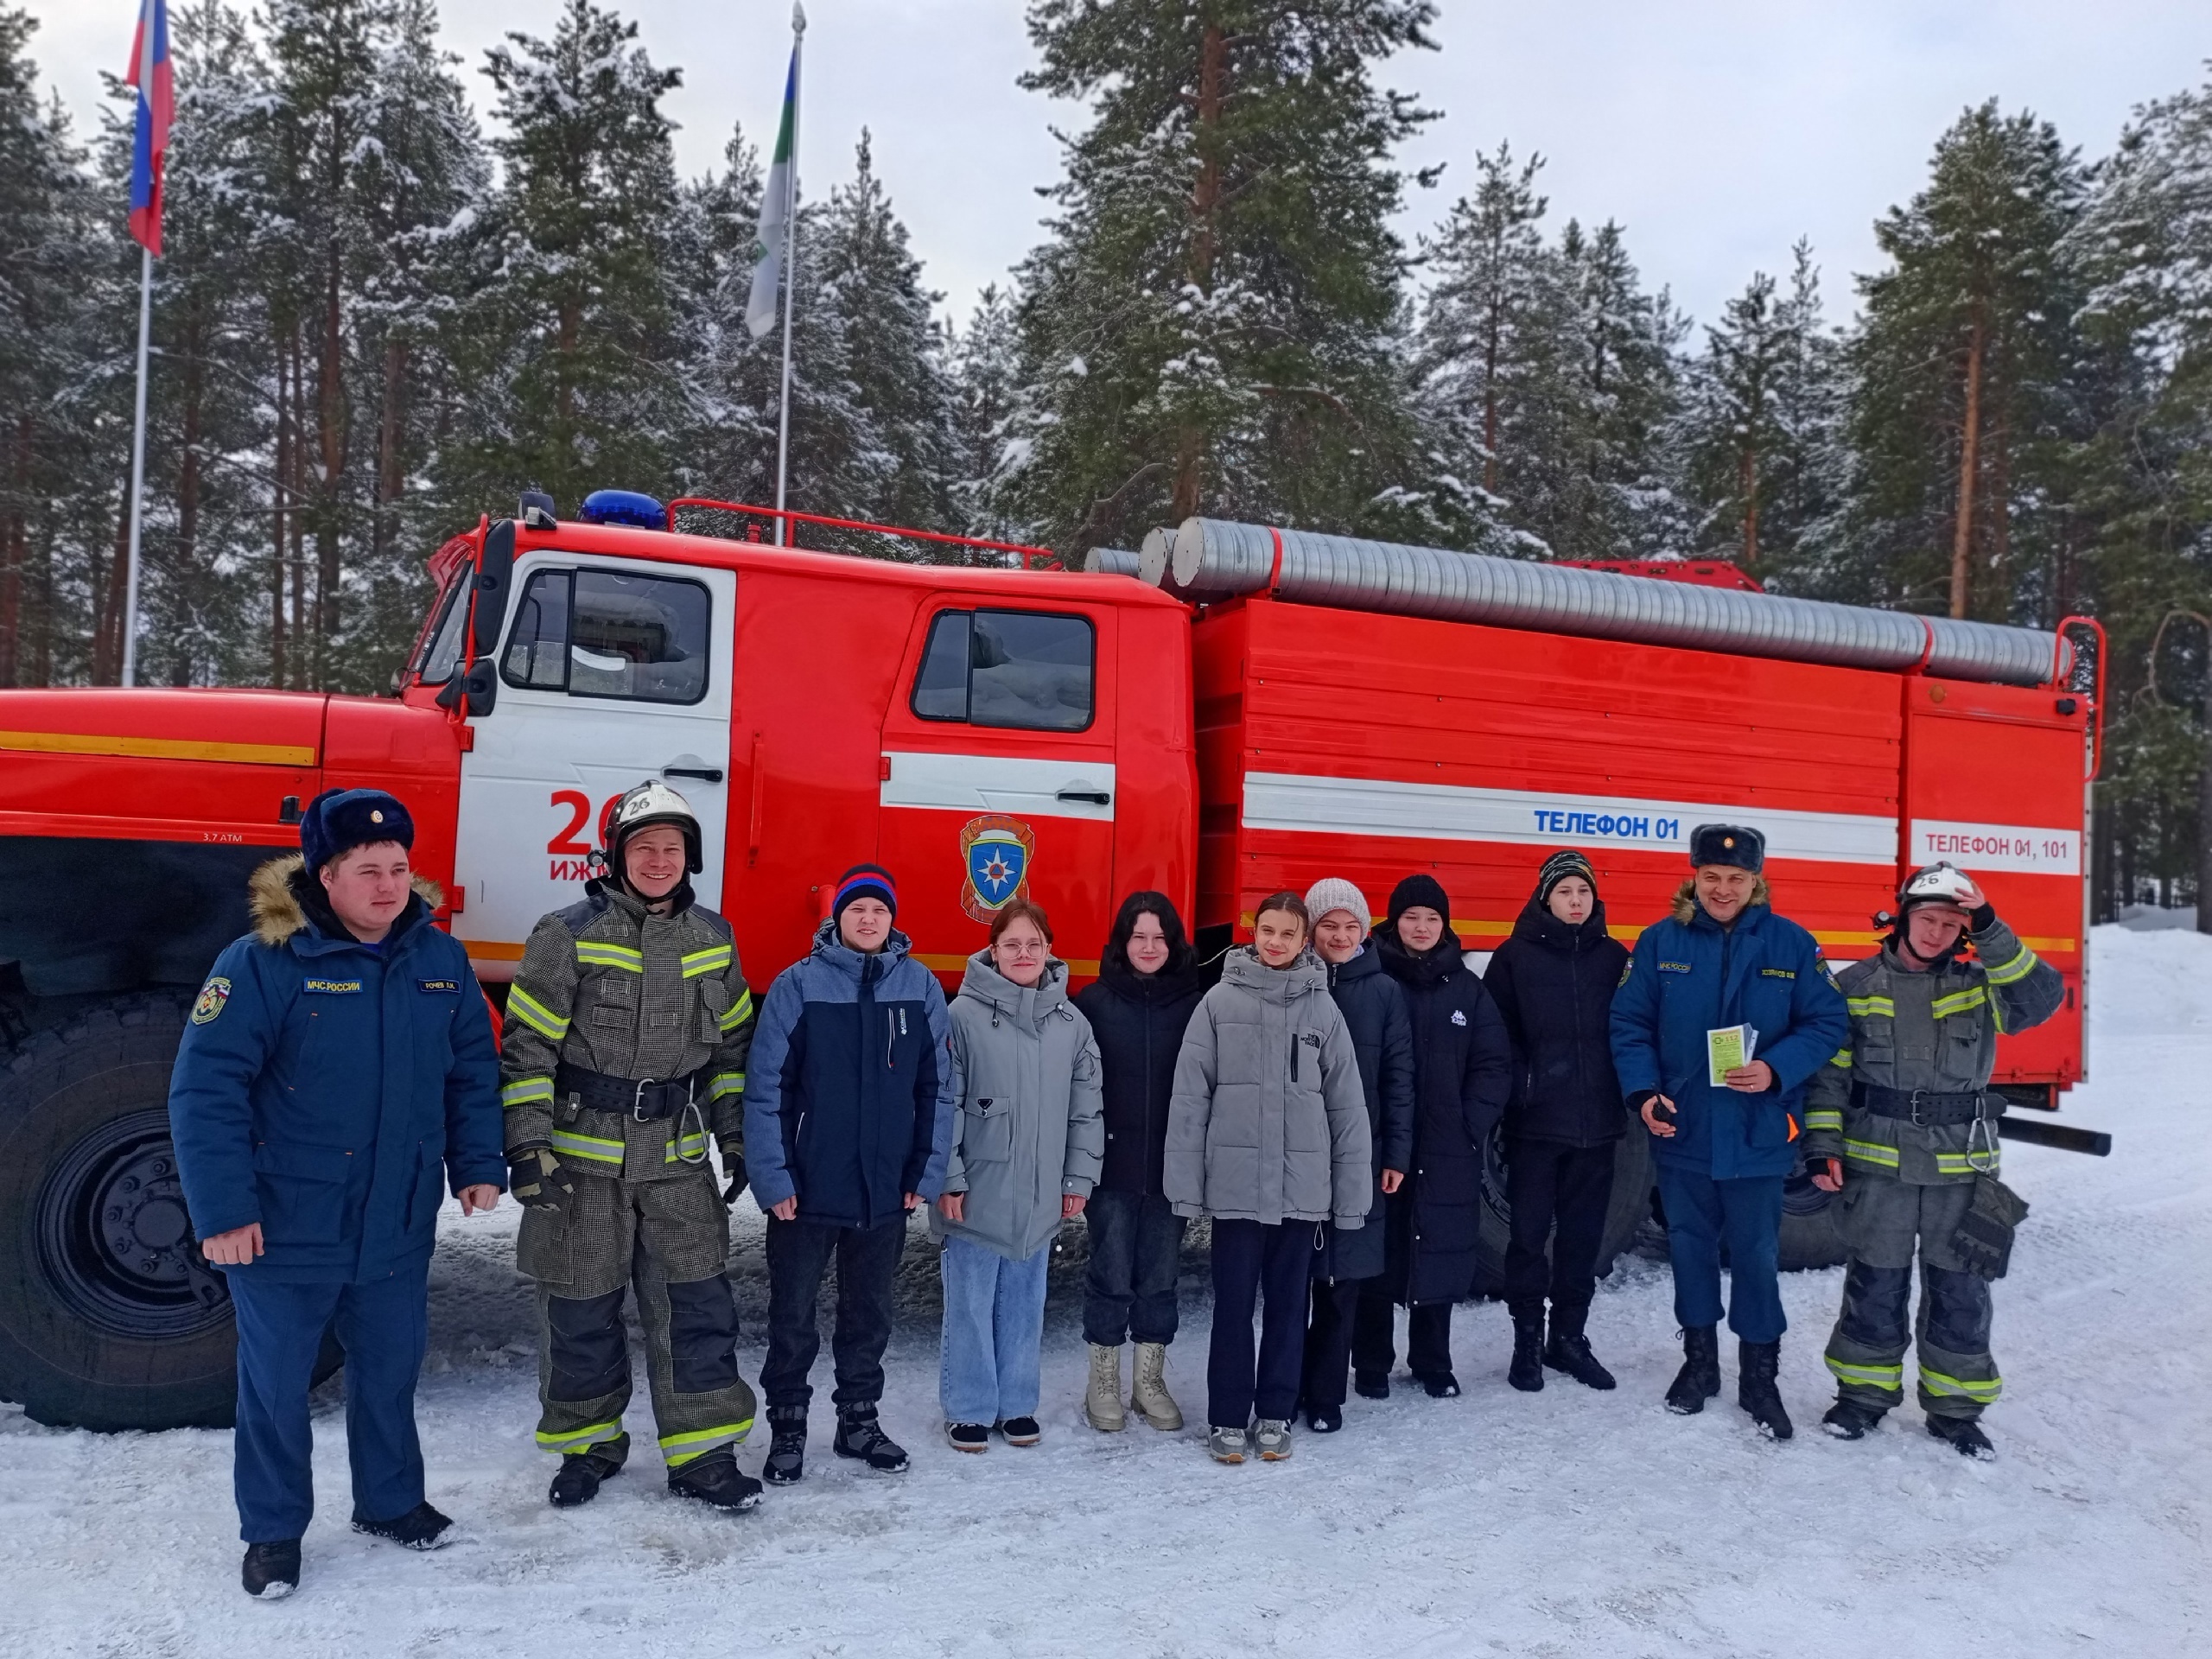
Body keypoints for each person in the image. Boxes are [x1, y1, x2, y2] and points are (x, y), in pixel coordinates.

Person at [169, 788, 504, 1600]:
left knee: (389, 1372)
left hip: (396, 1218)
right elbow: (204, 1091)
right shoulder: (260, 965)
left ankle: (389, 1503)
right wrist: (222, 1212)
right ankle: (274, 1533)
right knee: (277, 1388)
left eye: (398, 869)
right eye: (368, 870)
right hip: (287, 1228)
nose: (389, 887)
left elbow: (471, 1071)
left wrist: (479, 1163)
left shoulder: (440, 961)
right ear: (324, 874)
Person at [499, 782, 762, 1512]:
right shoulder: (566, 931)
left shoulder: (714, 938)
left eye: (672, 849)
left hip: (677, 1160)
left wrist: (734, 1138)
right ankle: (589, 1446)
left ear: (689, 859)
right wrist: (528, 1146)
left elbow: (732, 1051)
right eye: (644, 847)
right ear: (615, 855)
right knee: (581, 1306)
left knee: (696, 1306)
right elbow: (527, 1049)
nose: (658, 860)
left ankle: (703, 1453)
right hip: (582, 1158)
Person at [1805, 862, 2063, 1459]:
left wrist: (1992, 926)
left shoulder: (1981, 984)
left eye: (1952, 923)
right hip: (1880, 1167)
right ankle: (1862, 1398)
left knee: (1962, 1291)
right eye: (1927, 919)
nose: (1937, 932)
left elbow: (2043, 997)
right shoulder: (1856, 986)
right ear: (1903, 919)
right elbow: (1828, 1080)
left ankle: (1954, 1411)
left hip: (1961, 1171)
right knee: (1874, 1285)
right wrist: (1822, 1147)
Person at [1609, 824, 1849, 1440]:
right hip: (1683, 1130)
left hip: (1758, 1134)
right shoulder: (1660, 943)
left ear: (1755, 881)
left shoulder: (1793, 946)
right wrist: (1642, 1092)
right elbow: (1629, 1022)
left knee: (1757, 1256)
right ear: (1693, 877)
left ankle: (1759, 1379)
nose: (1722, 889)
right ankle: (1699, 1366)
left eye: (1736, 879)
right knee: (1689, 1247)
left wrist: (1776, 1068)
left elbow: (1827, 1022)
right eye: (1711, 878)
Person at [744, 864, 956, 1484]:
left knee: (869, 1315)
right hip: (807, 1192)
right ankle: (787, 1429)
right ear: (837, 917)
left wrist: (926, 1169)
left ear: (894, 920)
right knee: (793, 1317)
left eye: (880, 910)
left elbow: (938, 1089)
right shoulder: (798, 986)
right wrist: (775, 1179)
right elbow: (766, 1090)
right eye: (857, 909)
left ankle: (858, 1423)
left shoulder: (919, 988)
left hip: (885, 1190)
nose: (868, 919)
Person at [1165, 892, 1370, 1465]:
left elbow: (1347, 1109)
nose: (1276, 942)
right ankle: (1228, 1417)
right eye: (1267, 931)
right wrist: (1185, 1183)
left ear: (1305, 942)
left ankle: (1275, 1412)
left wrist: (1350, 1196)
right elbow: (1190, 1100)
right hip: (1236, 1191)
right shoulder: (1219, 1003)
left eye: (1288, 934)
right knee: (1231, 1308)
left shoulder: (1322, 1011)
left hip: (1301, 1193)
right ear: (1253, 934)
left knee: (1288, 1307)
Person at [933, 899, 1104, 1451]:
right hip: (977, 1192)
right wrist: (949, 1177)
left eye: (1034, 944)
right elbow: (944, 1103)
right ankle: (969, 1407)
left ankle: (1016, 1406)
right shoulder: (960, 1016)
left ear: (1049, 950)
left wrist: (1077, 1180)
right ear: (993, 950)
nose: (1024, 954)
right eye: (1013, 944)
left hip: (1039, 1196)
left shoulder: (1072, 1024)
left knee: (1026, 1304)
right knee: (971, 1302)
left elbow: (1087, 1111)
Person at [1357, 874, 1513, 1400]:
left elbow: (1494, 1064)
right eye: (1410, 917)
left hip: (1448, 1147)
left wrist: (1469, 1123)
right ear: (1393, 922)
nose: (1421, 928)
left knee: (1440, 1250)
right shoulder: (1374, 979)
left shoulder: (1467, 989)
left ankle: (1433, 1362)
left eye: (1431, 918)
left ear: (1445, 925)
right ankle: (1372, 1364)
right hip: (1384, 1146)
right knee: (1378, 1253)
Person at [1482, 850, 1632, 1394]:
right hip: (1535, 1128)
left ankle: (1568, 1339)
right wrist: (1523, 1086)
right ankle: (1527, 1340)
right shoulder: (1514, 958)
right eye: (1565, 891)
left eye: (1584, 892)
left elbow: (1633, 1030)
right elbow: (1495, 1036)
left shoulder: (1615, 958)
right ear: (1546, 896)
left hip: (1598, 1129)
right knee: (1525, 1241)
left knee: (1581, 1242)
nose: (1575, 901)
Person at [1072, 893, 1205, 1433]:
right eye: (1138, 937)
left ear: (1174, 944)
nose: (1149, 947)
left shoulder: (1198, 1004)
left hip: (1173, 1168)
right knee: (1109, 1271)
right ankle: (1102, 1379)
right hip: (1111, 1167)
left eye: (1159, 937)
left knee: (1160, 1275)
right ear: (1122, 943)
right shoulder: (1093, 1003)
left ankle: (1149, 1379)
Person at [1298, 878, 1414, 1434]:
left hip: (1358, 1158)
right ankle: (1285, 1388)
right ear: (1311, 932)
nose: (1340, 936)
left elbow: (1399, 1078)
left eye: (1351, 926)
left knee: (1343, 1282)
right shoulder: (1293, 984)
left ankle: (1325, 1397)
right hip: (1297, 1155)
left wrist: (1396, 1151)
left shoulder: (1385, 992)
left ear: (1365, 932)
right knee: (1295, 1281)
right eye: (1329, 926)